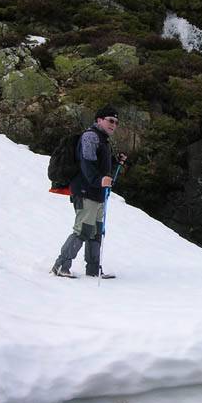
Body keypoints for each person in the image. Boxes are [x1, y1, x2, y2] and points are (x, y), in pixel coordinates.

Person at [51, 105, 125, 279]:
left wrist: (116, 163)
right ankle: (60, 266)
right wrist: (98, 180)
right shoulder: (90, 137)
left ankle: (93, 270)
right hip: (85, 191)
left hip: (97, 193)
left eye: (116, 122)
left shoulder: (103, 140)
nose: (114, 124)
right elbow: (87, 164)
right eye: (110, 120)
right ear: (99, 120)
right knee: (83, 230)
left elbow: (100, 166)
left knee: (96, 231)